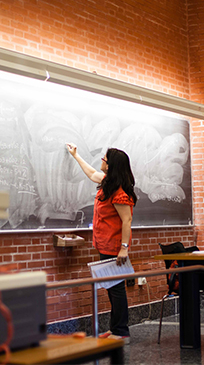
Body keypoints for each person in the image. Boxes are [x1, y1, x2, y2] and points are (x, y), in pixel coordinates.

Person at [66, 143, 137, 342]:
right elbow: (90, 173)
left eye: (105, 159)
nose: (102, 161)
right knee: (112, 289)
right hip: (104, 245)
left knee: (116, 289)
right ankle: (116, 330)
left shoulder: (120, 192)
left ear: (112, 164)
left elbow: (127, 221)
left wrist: (124, 248)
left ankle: (121, 332)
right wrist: (76, 156)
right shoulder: (108, 183)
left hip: (115, 248)